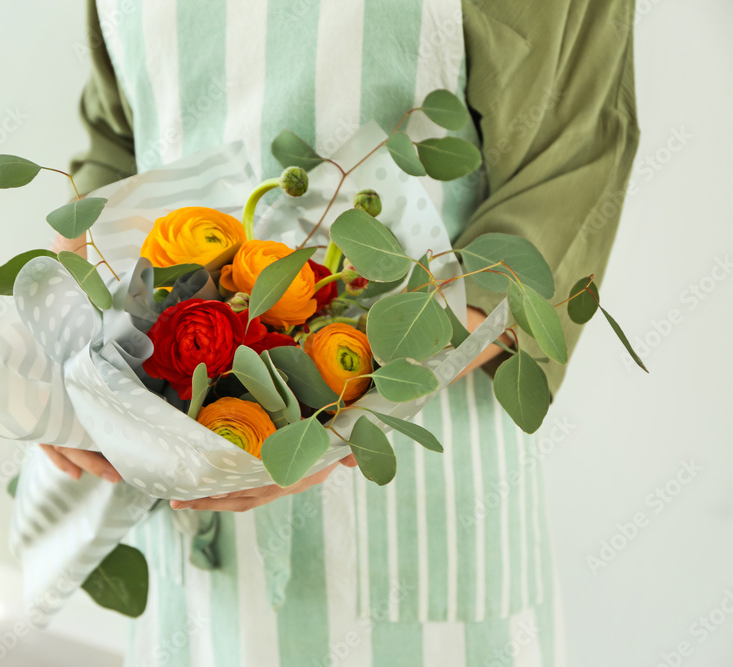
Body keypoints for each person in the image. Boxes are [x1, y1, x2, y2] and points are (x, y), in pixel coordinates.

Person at [39, 0, 640, 664]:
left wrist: (332, 416)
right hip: (191, 499)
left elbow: (566, 164)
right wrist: (61, 352)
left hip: (416, 483)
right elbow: (114, 146)